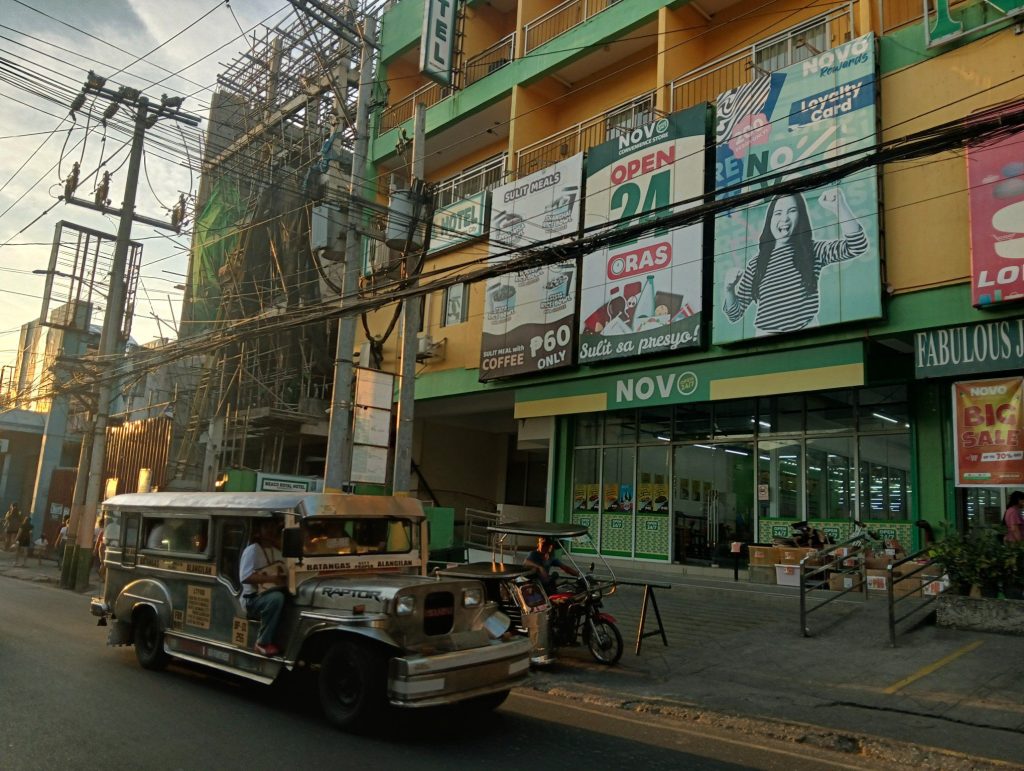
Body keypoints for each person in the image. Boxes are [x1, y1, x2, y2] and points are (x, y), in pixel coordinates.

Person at [723, 188, 868, 335]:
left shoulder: (812, 250)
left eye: (792, 211)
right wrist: (729, 289)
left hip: (806, 333)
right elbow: (734, 314)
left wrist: (840, 207)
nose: (784, 218)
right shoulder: (756, 264)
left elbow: (857, 245)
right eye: (778, 213)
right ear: (770, 219)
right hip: (766, 338)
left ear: (801, 217)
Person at [239, 518, 287, 656]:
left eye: (273, 526)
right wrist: (272, 579)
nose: (271, 530)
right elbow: (245, 577)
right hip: (252, 599)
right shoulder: (252, 550)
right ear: (258, 530)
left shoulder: (277, 551)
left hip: (270, 593)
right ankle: (262, 642)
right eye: (266, 527)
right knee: (276, 598)